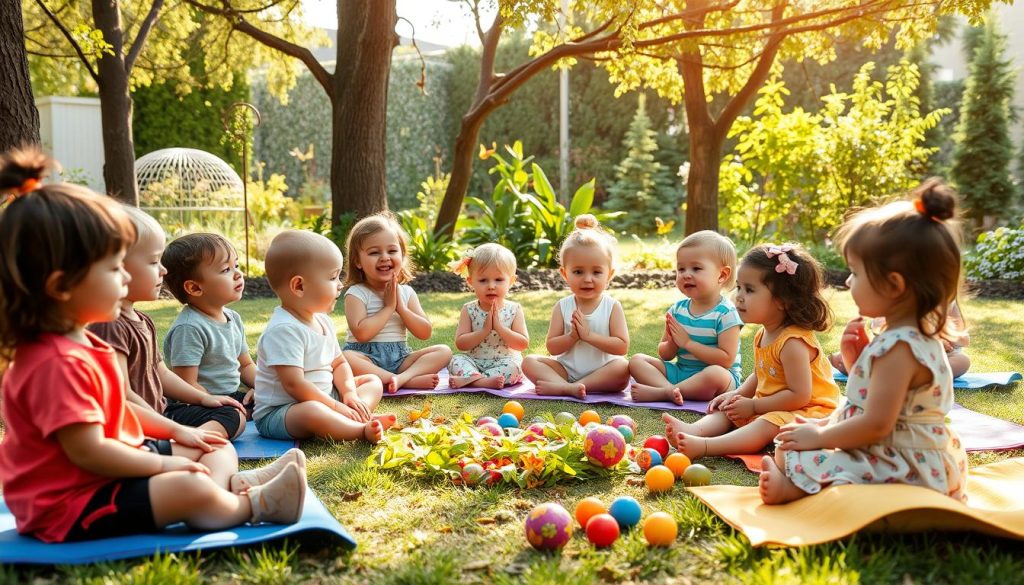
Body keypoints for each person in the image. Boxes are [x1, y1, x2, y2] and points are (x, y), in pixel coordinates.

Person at [0, 148, 306, 543]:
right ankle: (250, 504)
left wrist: (181, 433)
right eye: (113, 270)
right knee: (187, 488)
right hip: (71, 503)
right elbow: (88, 453)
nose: (125, 281)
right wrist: (164, 469)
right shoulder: (52, 363)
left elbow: (123, 407)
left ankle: (229, 484)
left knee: (213, 445)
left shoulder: (82, 343)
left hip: (107, 472)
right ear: (60, 286)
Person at [759, 179, 969, 504]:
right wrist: (855, 362)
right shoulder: (905, 339)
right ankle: (809, 481)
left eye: (855, 272)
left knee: (795, 451)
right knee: (789, 445)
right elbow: (879, 401)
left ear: (894, 285)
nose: (847, 280)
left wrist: (820, 435)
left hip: (905, 470)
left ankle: (795, 491)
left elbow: (876, 424)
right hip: (910, 459)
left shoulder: (899, 348)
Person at [663, 243, 840, 460]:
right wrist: (736, 395)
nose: (739, 296)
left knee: (766, 424)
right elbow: (760, 374)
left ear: (782, 301)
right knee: (729, 409)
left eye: (750, 289)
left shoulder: (793, 343)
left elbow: (800, 395)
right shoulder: (763, 334)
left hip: (810, 412)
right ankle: (694, 430)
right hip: (775, 405)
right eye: (739, 287)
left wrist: (755, 405)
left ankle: (706, 446)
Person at [89, 214, 246, 441]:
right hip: (140, 422)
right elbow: (122, 394)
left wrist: (203, 399)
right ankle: (188, 440)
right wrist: (167, 426)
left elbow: (161, 373)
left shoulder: (143, 320)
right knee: (231, 419)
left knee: (233, 415)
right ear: (118, 269)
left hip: (161, 413)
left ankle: (191, 439)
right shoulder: (109, 327)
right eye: (154, 262)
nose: (163, 271)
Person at [254, 229, 394, 442]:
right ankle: (359, 430)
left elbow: (339, 364)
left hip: (327, 396)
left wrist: (349, 394)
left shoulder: (322, 321)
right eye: (332, 277)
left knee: (372, 381)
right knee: (312, 411)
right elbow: (295, 385)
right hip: (284, 412)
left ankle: (355, 414)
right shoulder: (283, 330)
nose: (340, 284)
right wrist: (336, 406)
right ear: (299, 286)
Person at [522, 214, 630, 398]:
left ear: (609, 274)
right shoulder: (562, 306)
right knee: (529, 362)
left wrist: (589, 336)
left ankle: (573, 387)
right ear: (564, 273)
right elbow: (552, 348)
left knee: (623, 367)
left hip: (603, 372)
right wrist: (572, 336)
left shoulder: (612, 306)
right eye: (578, 271)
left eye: (596, 272)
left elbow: (621, 347)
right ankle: (567, 386)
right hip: (566, 370)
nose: (587, 279)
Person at [341, 212, 452, 392]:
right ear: (357, 261)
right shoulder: (357, 293)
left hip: (400, 359)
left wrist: (401, 308)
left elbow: (425, 332)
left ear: (402, 256)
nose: (384, 257)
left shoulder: (406, 292)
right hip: (365, 357)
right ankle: (404, 381)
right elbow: (361, 334)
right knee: (345, 358)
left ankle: (402, 378)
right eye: (374, 252)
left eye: (392, 251)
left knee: (444, 351)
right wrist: (388, 307)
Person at [629, 231, 742, 404]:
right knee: (637, 361)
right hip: (682, 372)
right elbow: (664, 355)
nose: (686, 274)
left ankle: (664, 392)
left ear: (722, 275)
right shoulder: (677, 310)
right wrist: (673, 343)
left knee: (715, 374)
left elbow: (726, 359)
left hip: (716, 377)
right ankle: (669, 389)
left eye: (696, 268)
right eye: (681, 269)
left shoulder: (726, 312)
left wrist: (688, 344)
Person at [162, 233, 258, 420]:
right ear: (195, 288)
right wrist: (216, 401)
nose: (238, 274)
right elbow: (187, 383)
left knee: (279, 396)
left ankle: (244, 412)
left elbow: (245, 365)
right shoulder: (189, 328)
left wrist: (262, 388)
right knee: (232, 415)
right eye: (225, 270)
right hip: (196, 402)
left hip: (230, 396)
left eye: (236, 266)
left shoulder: (233, 318)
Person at [447, 244, 530, 389]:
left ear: (511, 281)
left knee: (516, 366)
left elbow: (522, 344)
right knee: (456, 360)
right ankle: (483, 380)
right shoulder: (469, 309)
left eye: (498, 280)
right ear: (470, 281)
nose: (491, 286)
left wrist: (499, 328)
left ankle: (472, 381)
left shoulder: (514, 309)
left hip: (504, 361)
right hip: (474, 361)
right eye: (483, 280)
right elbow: (461, 344)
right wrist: (484, 331)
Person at [830, 300, 971, 379]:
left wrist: (945, 337)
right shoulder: (898, 296)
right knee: (856, 354)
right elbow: (879, 327)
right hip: (897, 351)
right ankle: (857, 364)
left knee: (963, 361)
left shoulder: (948, 301)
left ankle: (919, 375)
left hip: (935, 357)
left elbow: (964, 339)